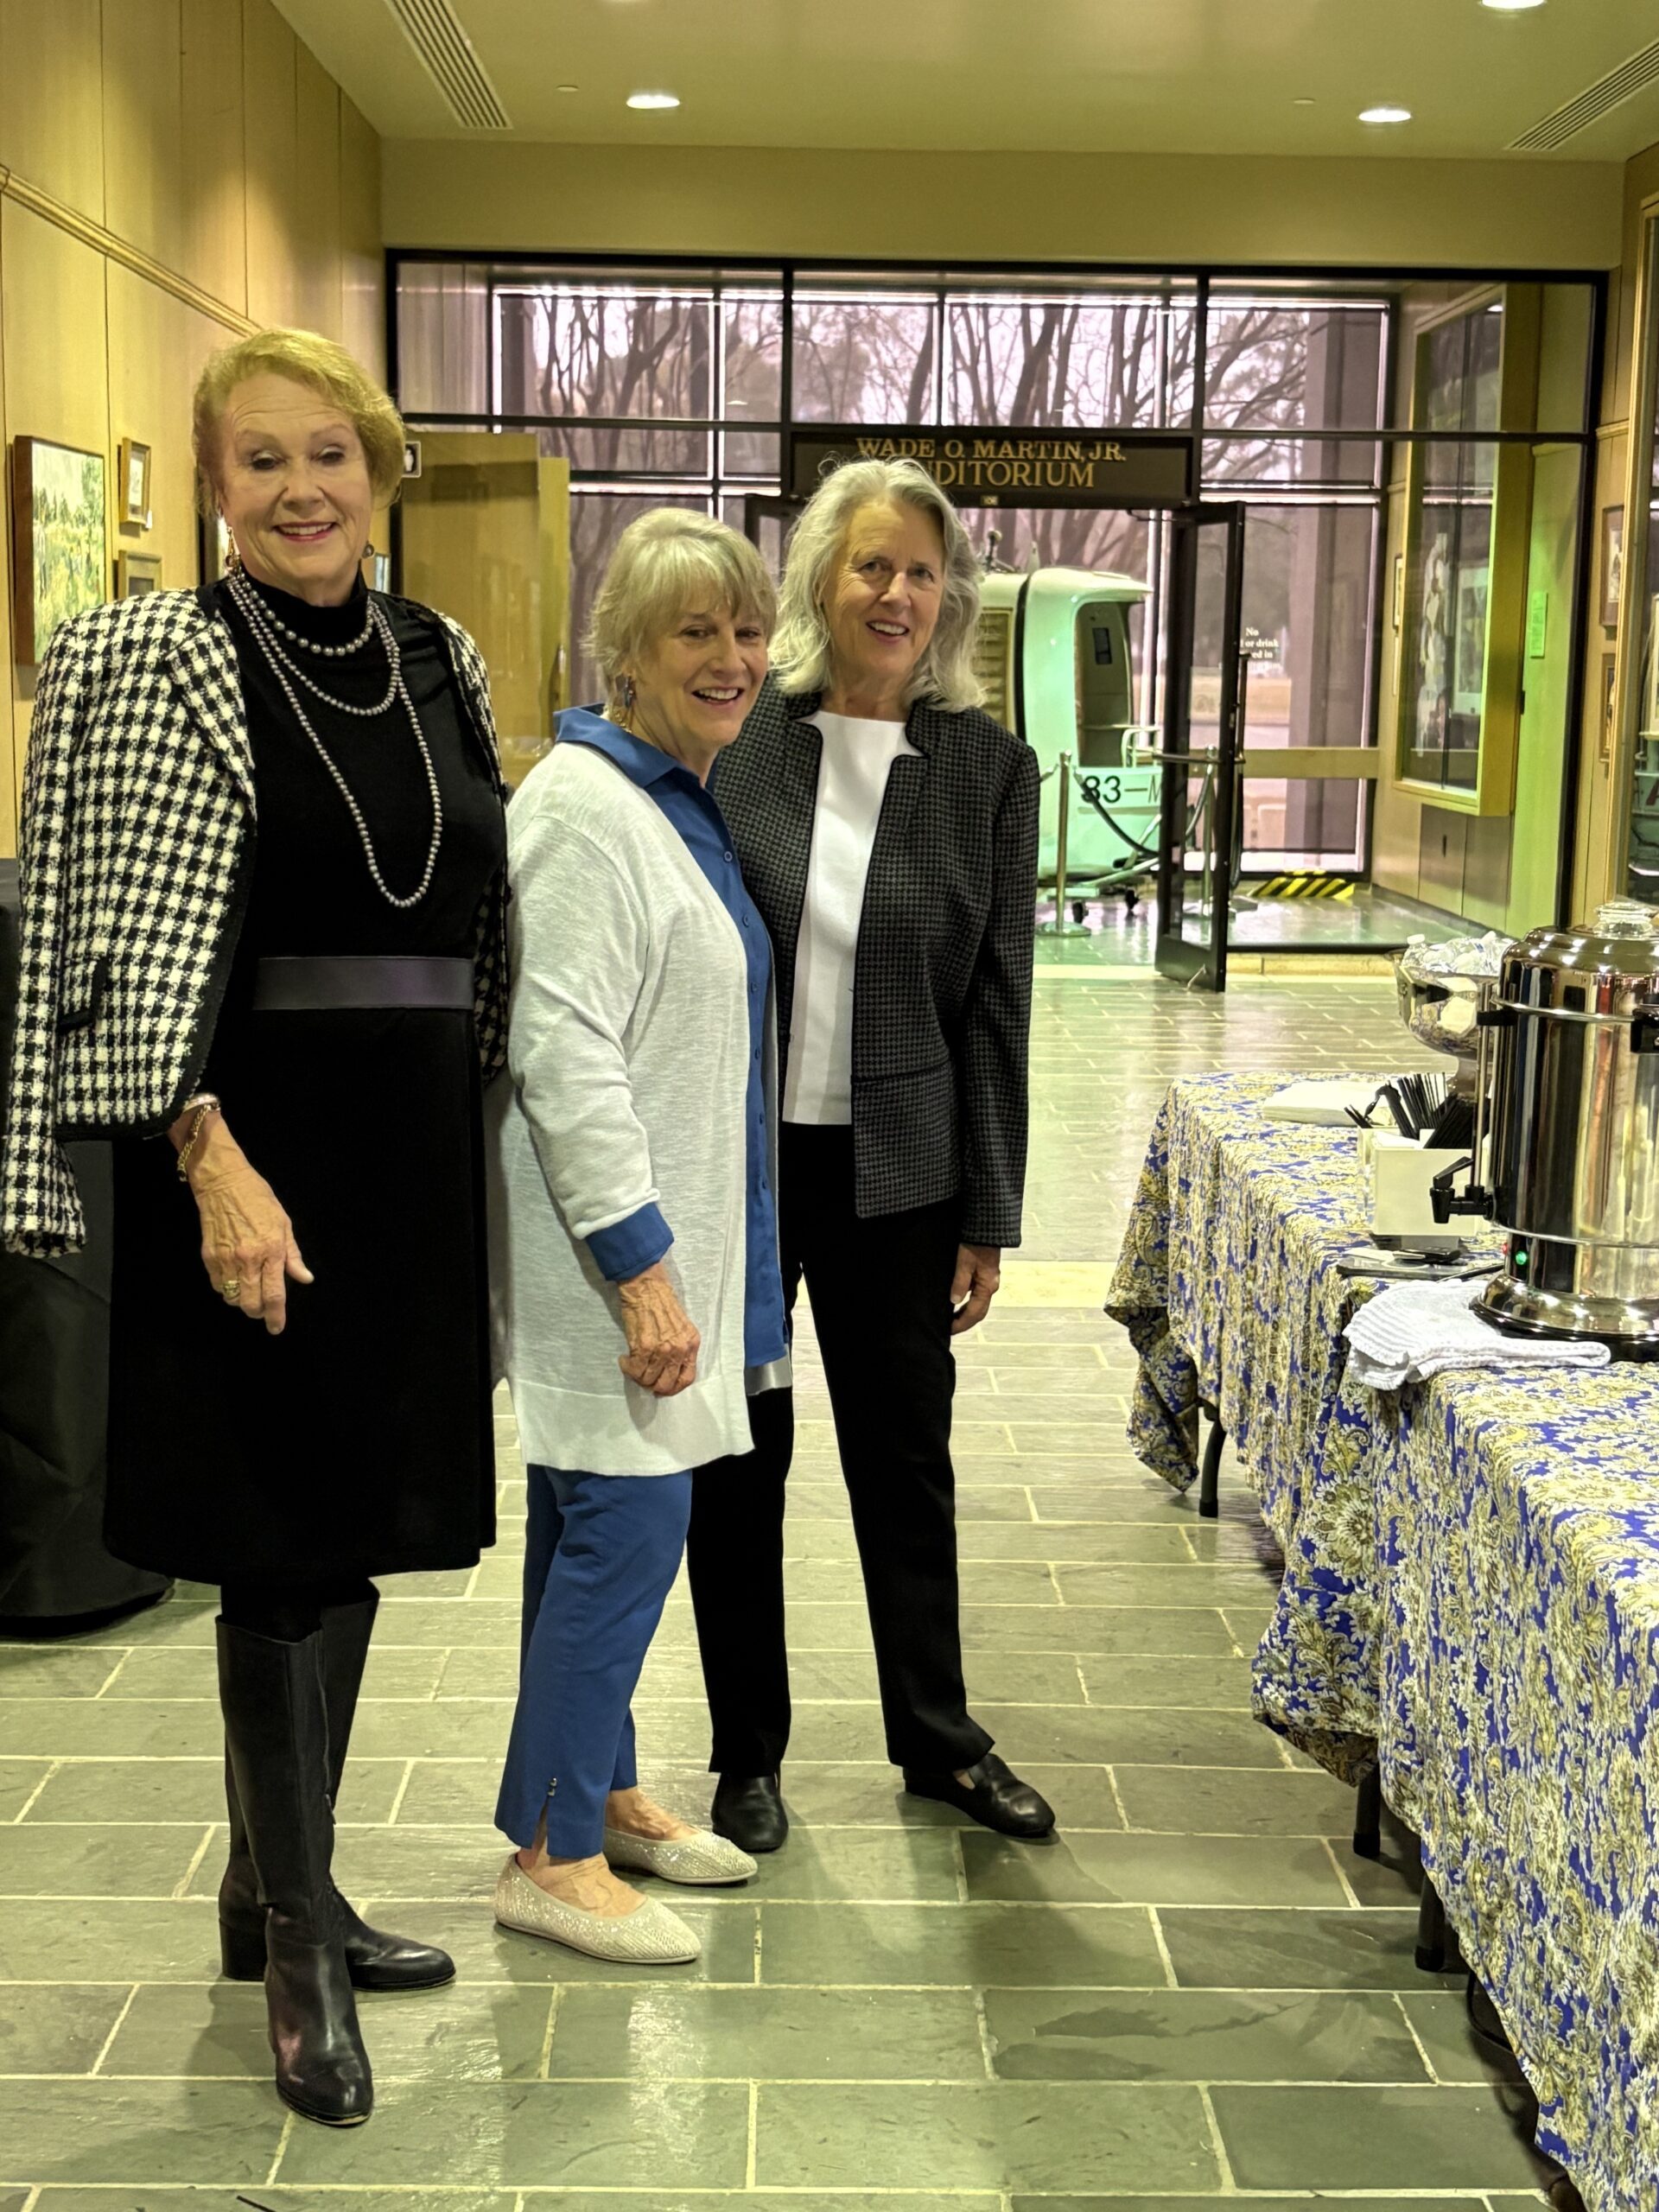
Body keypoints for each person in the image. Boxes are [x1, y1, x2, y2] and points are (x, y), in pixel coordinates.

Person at [0, 327, 511, 2128]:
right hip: (242, 1137)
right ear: (214, 483)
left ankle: (275, 1883)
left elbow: (472, 906)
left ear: (380, 470)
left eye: (331, 455)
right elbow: (98, 926)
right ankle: (298, 1942)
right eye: (262, 459)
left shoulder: (440, 654)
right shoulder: (144, 655)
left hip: (408, 1151)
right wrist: (203, 1147)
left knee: (353, 1526)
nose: (303, 490)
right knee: (275, 1539)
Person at [687, 456, 1052, 1853]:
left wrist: (990, 1211)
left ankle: (937, 1741)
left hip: (903, 1173)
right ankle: (746, 1754)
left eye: (921, 573)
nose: (897, 593)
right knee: (740, 1460)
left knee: (905, 1463)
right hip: (745, 1167)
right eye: (872, 566)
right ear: (821, 581)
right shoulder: (742, 741)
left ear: (947, 598)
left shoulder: (988, 771)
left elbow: (999, 1007)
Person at [488, 509, 787, 1965]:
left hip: (663, 1251)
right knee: (627, 1531)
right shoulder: (584, 812)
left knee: (584, 1530)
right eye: (695, 633)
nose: (731, 659)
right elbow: (563, 1055)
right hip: (610, 1262)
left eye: (747, 630)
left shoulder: (668, 800)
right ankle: (547, 1854)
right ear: (626, 652)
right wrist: (643, 1270)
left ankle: (596, 1797)